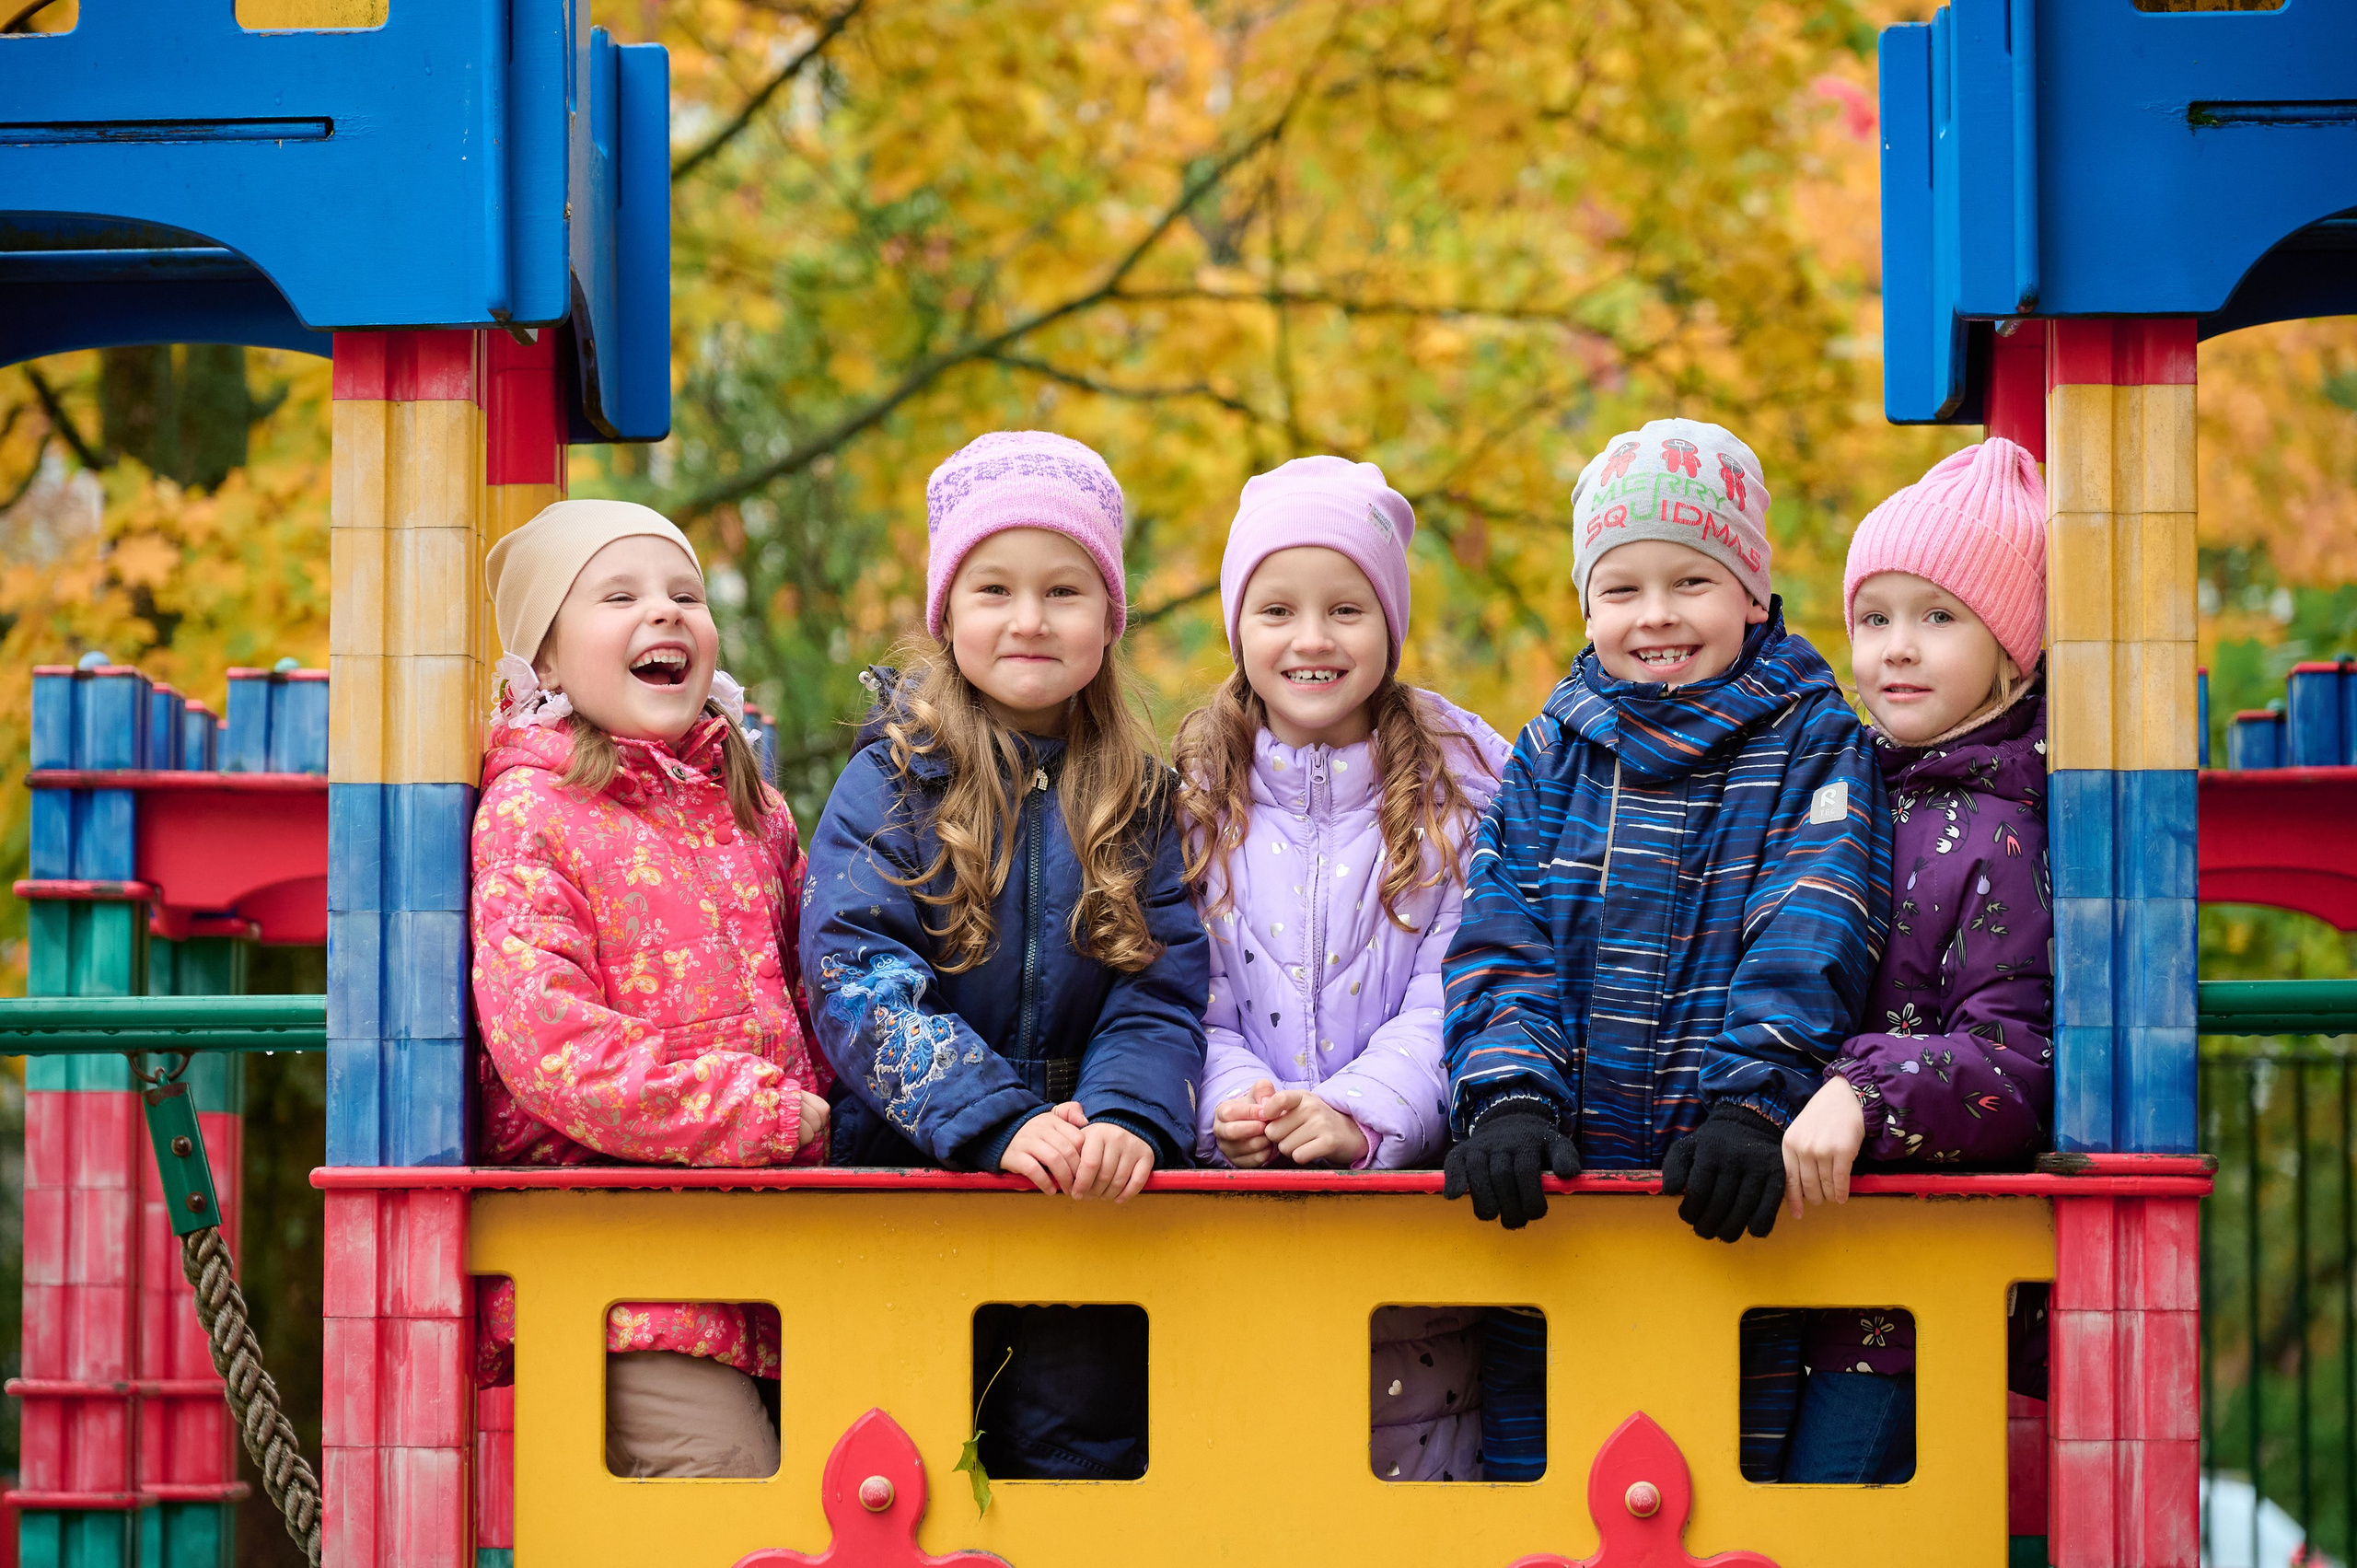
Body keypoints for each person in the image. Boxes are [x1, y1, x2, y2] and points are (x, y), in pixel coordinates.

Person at [800, 431, 1207, 1481]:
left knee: (1078, 1462)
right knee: (900, 1462)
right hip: (908, 1174)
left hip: (1082, 1194)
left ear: (1109, 616)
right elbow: (854, 975)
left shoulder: (1141, 799)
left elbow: (1157, 988)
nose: (1029, 619)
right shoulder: (892, 782)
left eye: (1064, 589)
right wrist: (990, 1115)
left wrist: (1125, 1115)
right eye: (994, 588)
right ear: (947, 611)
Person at [1440, 417, 1889, 1238]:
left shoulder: (1812, 742)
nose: (1655, 615)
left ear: (1752, 595)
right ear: (1586, 611)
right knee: (1542, 1368)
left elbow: (1813, 917)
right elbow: (1503, 929)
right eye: (1621, 590)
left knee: (1729, 1365)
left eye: (1691, 582)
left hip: (1731, 1186)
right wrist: (1509, 1095)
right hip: (1559, 1213)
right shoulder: (1551, 750)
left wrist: (1753, 1100)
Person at [469, 499, 829, 1479]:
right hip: (623, 1258)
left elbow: (814, 992)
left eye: (685, 594)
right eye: (619, 594)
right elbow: (549, 1044)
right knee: (724, 1486)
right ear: (544, 661)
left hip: (776, 1243)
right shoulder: (533, 812)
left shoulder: (749, 807)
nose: (664, 613)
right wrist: (757, 1114)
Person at [1172, 456, 1509, 1481]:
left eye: (1345, 608)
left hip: (1409, 1253)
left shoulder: (1461, 798)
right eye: (1277, 608)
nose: (1311, 639)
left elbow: (1457, 986)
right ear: (1238, 628)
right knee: (1251, 1491)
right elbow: (1185, 992)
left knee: (1411, 1501)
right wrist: (1235, 1104)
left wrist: (1363, 1113)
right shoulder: (1190, 805)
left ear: (1389, 624)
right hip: (1235, 1235)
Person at [1776, 436, 2056, 1485]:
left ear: (2012, 651)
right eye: (1875, 615)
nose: (1897, 646)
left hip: (1893, 1303)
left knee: (1822, 1521)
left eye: (1939, 617)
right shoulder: (1841, 791)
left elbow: (2011, 1057)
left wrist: (1862, 1093)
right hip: (1794, 1259)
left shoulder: (2001, 834)